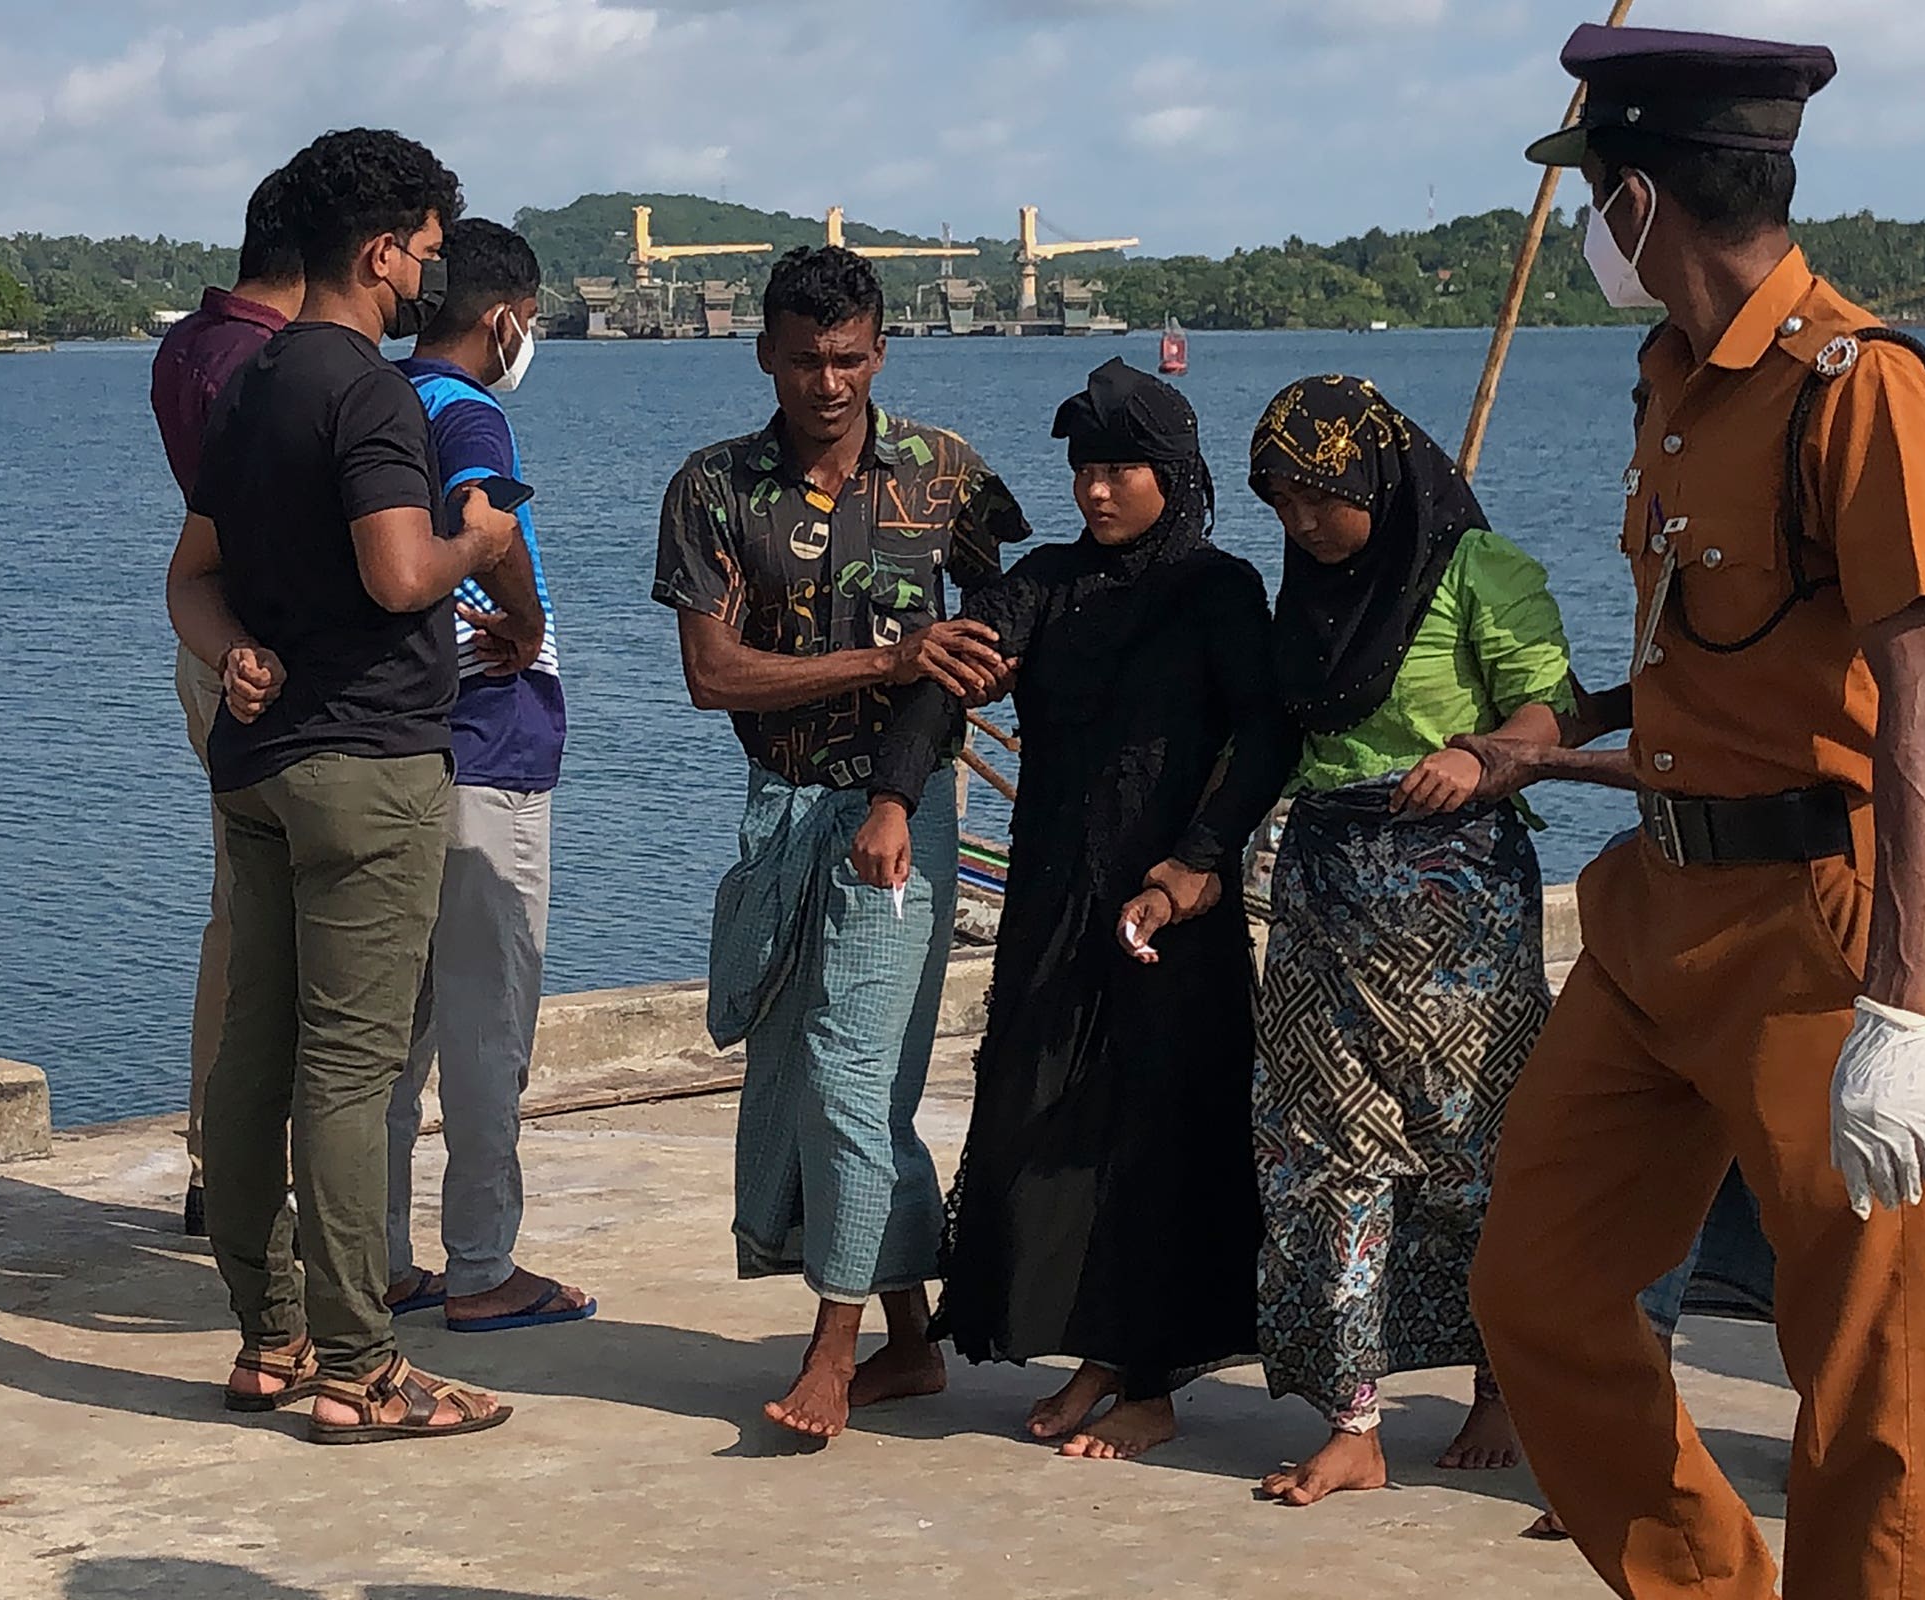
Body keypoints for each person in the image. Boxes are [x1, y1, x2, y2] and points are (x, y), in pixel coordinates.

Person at [1462, 29, 1925, 1600]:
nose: (1588, 224)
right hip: (1658, 903)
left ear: (1641, 198)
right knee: (1538, 1290)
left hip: (1812, 930)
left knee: (1865, 1400)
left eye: (1590, 190)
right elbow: (1707, 638)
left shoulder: (1863, 389)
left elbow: (1919, 697)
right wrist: (1568, 721)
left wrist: (1903, 1003)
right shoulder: (1678, 377)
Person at [165, 127, 524, 1443]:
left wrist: (236, 653)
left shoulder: (252, 385)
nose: (432, 272)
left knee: (256, 1056)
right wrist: (475, 535)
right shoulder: (370, 396)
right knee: (352, 1065)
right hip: (369, 764)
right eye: (427, 250)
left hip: (257, 765)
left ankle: (270, 1338)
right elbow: (394, 575)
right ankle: (363, 1367)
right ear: (382, 251)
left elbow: (188, 575)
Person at [1167, 376, 1574, 1508]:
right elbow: (1270, 745)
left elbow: (1555, 710)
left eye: (1318, 500)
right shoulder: (1298, 598)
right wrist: (1199, 856)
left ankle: (1505, 1381)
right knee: (1319, 1147)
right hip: (1323, 900)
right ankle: (1354, 1417)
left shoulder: (1480, 575)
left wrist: (1484, 753)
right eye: (1280, 504)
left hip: (1457, 905)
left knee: (1472, 1146)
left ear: (1377, 485)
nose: (1300, 525)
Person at [861, 361, 1276, 1462]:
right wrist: (896, 794)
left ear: (1173, 474)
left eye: (1121, 469)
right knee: (1044, 1122)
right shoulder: (1046, 583)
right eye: (1084, 470)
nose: (1096, 492)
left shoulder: (1219, 590)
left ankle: (1147, 1382)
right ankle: (1093, 1348)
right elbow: (950, 673)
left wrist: (1198, 861)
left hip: (1172, 911)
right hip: (1055, 897)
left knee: (1162, 1134)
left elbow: (1264, 739)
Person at [653, 246, 1029, 1442]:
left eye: (851, 359)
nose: (829, 383)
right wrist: (890, 656)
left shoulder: (948, 475)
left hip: (899, 812)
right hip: (777, 812)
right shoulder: (712, 488)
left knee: (848, 1074)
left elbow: (1003, 621)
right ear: (765, 352)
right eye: (807, 360)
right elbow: (713, 676)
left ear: (882, 350)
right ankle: (912, 1343)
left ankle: (834, 1346)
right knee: (798, 1070)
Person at [377, 219, 594, 1335]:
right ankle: (482, 1266)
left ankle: (380, 1254)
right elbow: (482, 519)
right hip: (489, 737)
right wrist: (526, 614)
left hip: (403, 741)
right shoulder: (468, 410)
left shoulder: (377, 401)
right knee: (488, 1017)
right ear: (506, 317)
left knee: (394, 1027)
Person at [150, 169, 307, 1236]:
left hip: (210, 642)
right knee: (300, 918)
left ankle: (218, 1155)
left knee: (237, 909)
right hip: (271, 655)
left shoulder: (183, 349)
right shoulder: (275, 366)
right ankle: (272, 1166)